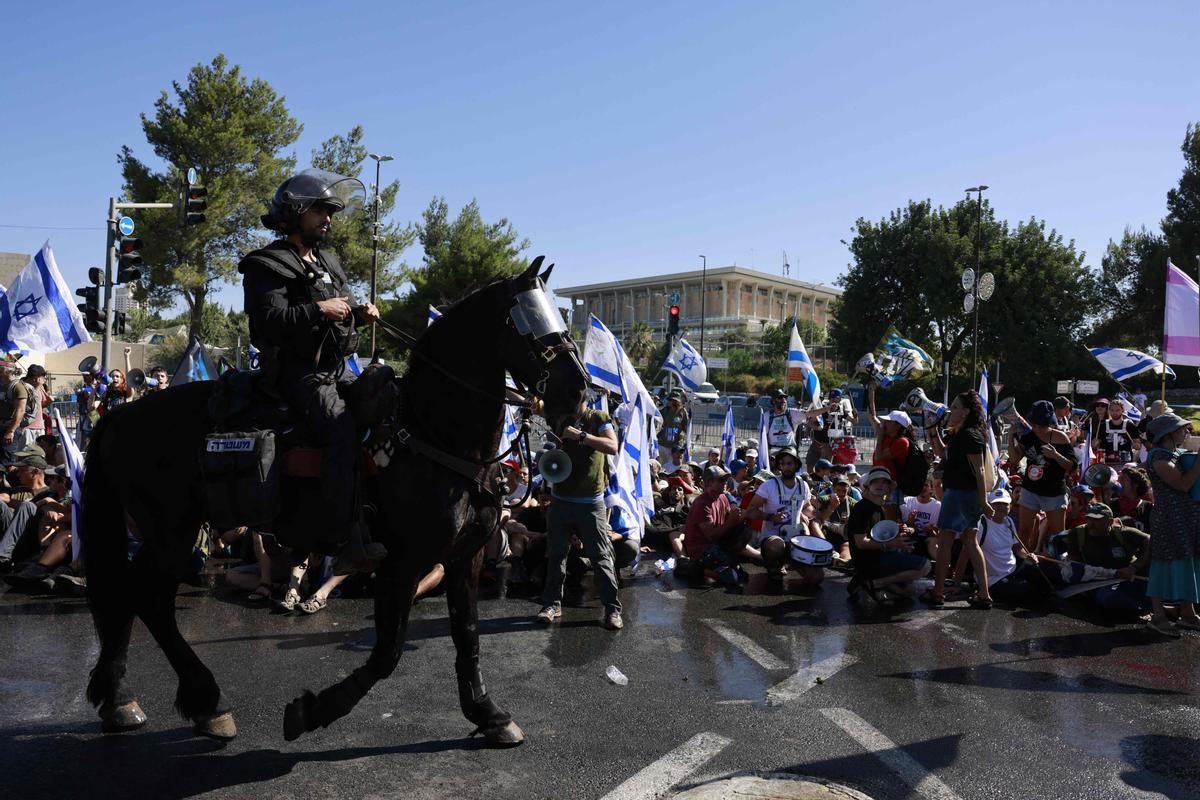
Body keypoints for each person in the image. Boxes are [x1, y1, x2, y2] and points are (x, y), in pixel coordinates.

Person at [240, 169, 380, 561]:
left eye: (330, 212)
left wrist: (358, 311)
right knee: (340, 430)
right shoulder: (266, 264)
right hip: (297, 375)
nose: (327, 219)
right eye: (319, 210)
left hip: (337, 370)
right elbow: (267, 323)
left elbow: (342, 303)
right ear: (296, 212)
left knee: (386, 400)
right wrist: (319, 309)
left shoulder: (328, 260)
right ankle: (340, 532)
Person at [535, 395, 622, 629]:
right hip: (561, 500)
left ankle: (612, 609)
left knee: (601, 556)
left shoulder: (598, 418)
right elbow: (534, 403)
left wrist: (581, 436)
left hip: (590, 503)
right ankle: (552, 604)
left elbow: (612, 446)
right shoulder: (559, 417)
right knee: (556, 555)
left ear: (583, 399)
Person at [925, 390, 994, 608]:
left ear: (965, 412)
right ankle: (984, 595)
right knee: (970, 541)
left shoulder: (970, 434)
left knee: (946, 540)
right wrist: (932, 430)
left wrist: (983, 501)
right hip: (963, 493)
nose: (950, 410)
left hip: (961, 494)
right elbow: (943, 454)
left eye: (955, 407)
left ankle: (937, 592)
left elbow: (980, 470)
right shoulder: (959, 433)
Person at [1142, 414, 1200, 637]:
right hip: (1168, 519)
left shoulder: (1174, 454)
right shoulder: (1159, 457)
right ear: (1168, 434)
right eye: (1182, 429)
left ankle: (1187, 613)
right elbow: (1184, 485)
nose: (1187, 433)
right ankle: (1158, 617)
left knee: (1189, 562)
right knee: (1162, 564)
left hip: (1185, 519)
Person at [845, 467, 927, 604]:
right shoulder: (861, 509)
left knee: (906, 593)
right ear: (868, 485)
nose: (879, 485)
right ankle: (875, 583)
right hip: (869, 562)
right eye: (875, 481)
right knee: (925, 567)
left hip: (876, 558)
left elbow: (880, 539)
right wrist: (892, 544)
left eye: (884, 482)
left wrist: (900, 544)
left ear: (889, 488)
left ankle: (865, 582)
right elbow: (861, 543)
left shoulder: (880, 508)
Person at [1009, 400, 1077, 552]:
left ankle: (1058, 566)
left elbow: (1072, 466)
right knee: (1024, 531)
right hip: (1030, 489)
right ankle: (1022, 563)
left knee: (1058, 535)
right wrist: (1010, 437)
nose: (1038, 429)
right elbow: (1014, 460)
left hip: (1053, 492)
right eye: (1035, 425)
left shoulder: (1060, 437)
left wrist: (1055, 455)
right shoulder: (1029, 436)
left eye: (1042, 425)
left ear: (1050, 423)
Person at [746, 446, 818, 584]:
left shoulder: (804, 485)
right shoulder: (769, 485)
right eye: (782, 464)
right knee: (777, 546)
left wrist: (817, 511)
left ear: (796, 464)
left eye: (789, 463)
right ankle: (774, 565)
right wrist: (770, 517)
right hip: (772, 539)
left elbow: (807, 507)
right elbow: (750, 510)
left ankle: (789, 561)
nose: (786, 467)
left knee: (816, 578)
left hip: (795, 538)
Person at [1064, 503, 1150, 618]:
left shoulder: (1124, 533)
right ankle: (1144, 607)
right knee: (1110, 599)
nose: (1091, 524)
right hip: (1098, 580)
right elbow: (1073, 562)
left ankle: (1149, 606)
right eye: (1089, 519)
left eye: (1097, 520)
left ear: (1109, 522)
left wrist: (1134, 567)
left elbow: (1150, 541)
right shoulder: (1077, 533)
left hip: (1128, 577)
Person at [977, 489, 1056, 607]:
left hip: (1013, 569)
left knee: (1047, 577)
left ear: (1010, 506)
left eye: (1005, 504)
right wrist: (957, 584)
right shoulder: (981, 524)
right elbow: (967, 553)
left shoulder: (1008, 521)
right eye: (997, 503)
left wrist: (1028, 556)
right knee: (1030, 592)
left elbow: (1017, 549)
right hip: (994, 579)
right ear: (989, 505)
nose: (1001, 507)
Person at [681, 465, 749, 593]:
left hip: (716, 544)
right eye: (721, 480)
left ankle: (724, 563)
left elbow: (731, 523)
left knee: (745, 531)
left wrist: (746, 514)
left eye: (725, 480)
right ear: (710, 482)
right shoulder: (701, 504)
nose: (725, 483)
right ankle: (697, 568)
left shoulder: (722, 497)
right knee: (733, 578)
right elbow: (711, 536)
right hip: (702, 549)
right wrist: (731, 521)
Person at [865, 383, 913, 518]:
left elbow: (880, 456)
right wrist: (871, 392)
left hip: (890, 486)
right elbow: (871, 416)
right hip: (877, 481)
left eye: (889, 421)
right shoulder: (886, 435)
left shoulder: (902, 442)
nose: (884, 423)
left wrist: (880, 437)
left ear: (897, 426)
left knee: (889, 519)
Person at [901, 478, 941, 559]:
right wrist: (910, 520)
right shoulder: (906, 501)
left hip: (927, 538)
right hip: (911, 535)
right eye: (920, 485)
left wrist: (930, 530)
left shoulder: (937, 506)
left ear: (931, 489)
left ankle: (945, 567)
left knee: (932, 541)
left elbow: (935, 535)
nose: (922, 488)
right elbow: (905, 527)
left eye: (925, 485)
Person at [1093, 398, 1140, 467]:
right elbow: (1095, 445)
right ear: (1108, 411)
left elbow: (1138, 446)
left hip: (1125, 462)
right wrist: (1094, 444)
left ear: (1122, 410)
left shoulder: (1130, 426)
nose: (1114, 412)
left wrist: (1136, 445)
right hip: (1106, 462)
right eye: (1112, 410)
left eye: (1117, 410)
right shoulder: (1102, 426)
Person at [0, 363, 29, 465]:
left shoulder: (17, 387)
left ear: (7, 371)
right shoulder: (3, 386)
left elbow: (20, 410)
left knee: (7, 462)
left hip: (10, 430)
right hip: (2, 428)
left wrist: (11, 431)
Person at [19, 365, 51, 449]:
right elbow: (27, 405)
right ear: (36, 378)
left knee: (40, 453)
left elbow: (40, 405)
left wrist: (48, 401)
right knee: (26, 454)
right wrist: (37, 388)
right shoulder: (22, 386)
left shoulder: (40, 387)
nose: (44, 380)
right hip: (27, 428)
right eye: (42, 377)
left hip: (39, 426)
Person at [765, 389, 806, 455]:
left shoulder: (792, 413)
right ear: (773, 401)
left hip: (789, 450)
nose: (783, 400)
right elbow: (763, 436)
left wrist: (827, 408)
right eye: (780, 397)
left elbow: (809, 414)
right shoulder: (767, 416)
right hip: (773, 450)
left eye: (785, 398)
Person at [657, 390, 689, 462]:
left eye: (675, 401)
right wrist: (655, 402)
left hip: (675, 445)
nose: (672, 402)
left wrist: (681, 435)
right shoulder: (665, 410)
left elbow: (686, 427)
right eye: (671, 400)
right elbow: (655, 414)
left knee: (674, 465)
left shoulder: (682, 412)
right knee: (662, 465)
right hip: (663, 443)